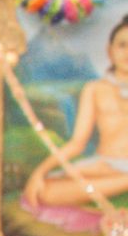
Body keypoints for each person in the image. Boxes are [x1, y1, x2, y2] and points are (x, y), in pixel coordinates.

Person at [23, 15, 128, 208]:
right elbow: (78, 143)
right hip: (105, 165)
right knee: (47, 190)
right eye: (122, 45)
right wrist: (39, 172)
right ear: (110, 51)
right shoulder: (95, 89)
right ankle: (123, 183)